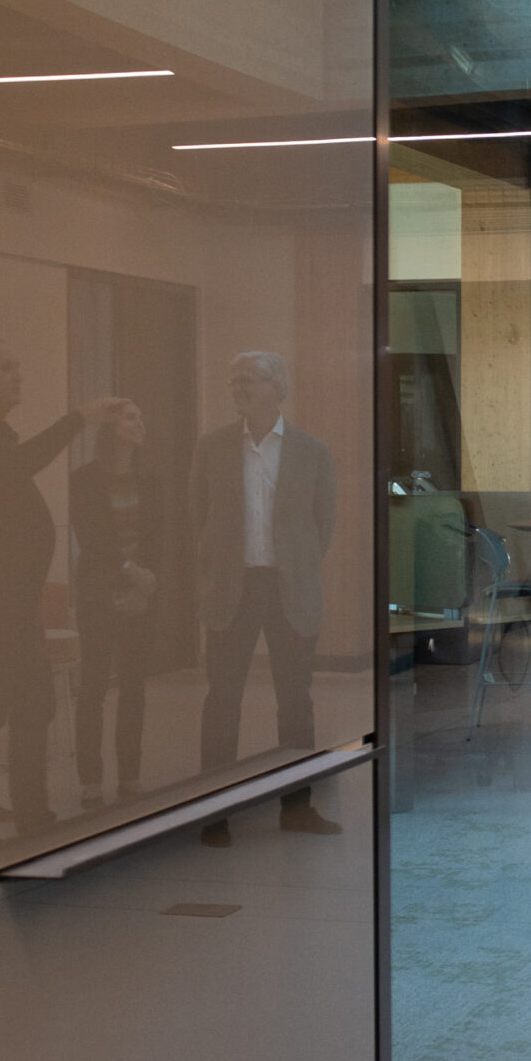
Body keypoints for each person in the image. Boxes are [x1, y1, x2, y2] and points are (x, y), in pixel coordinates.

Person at [0, 339, 127, 846]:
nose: (18, 375)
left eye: (17, 364)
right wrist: (78, 417)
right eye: (5, 368)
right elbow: (20, 465)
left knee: (18, 704)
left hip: (1, 602)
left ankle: (3, 808)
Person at [190, 351, 339, 843]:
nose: (238, 389)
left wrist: (298, 561)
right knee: (222, 700)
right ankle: (214, 814)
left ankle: (296, 808)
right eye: (233, 382)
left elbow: (324, 522)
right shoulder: (210, 448)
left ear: (278, 387)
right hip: (232, 587)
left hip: (288, 587)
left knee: (295, 700)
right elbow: (199, 516)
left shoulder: (311, 451)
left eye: (248, 380)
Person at [70, 399, 165, 808]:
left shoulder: (150, 479)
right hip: (99, 591)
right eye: (131, 416)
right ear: (110, 427)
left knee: (133, 687)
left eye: (141, 416)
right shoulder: (84, 479)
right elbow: (92, 540)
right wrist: (129, 574)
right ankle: (90, 778)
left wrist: (144, 586)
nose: (139, 422)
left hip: (140, 593)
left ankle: (130, 774)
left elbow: (157, 539)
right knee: (92, 686)